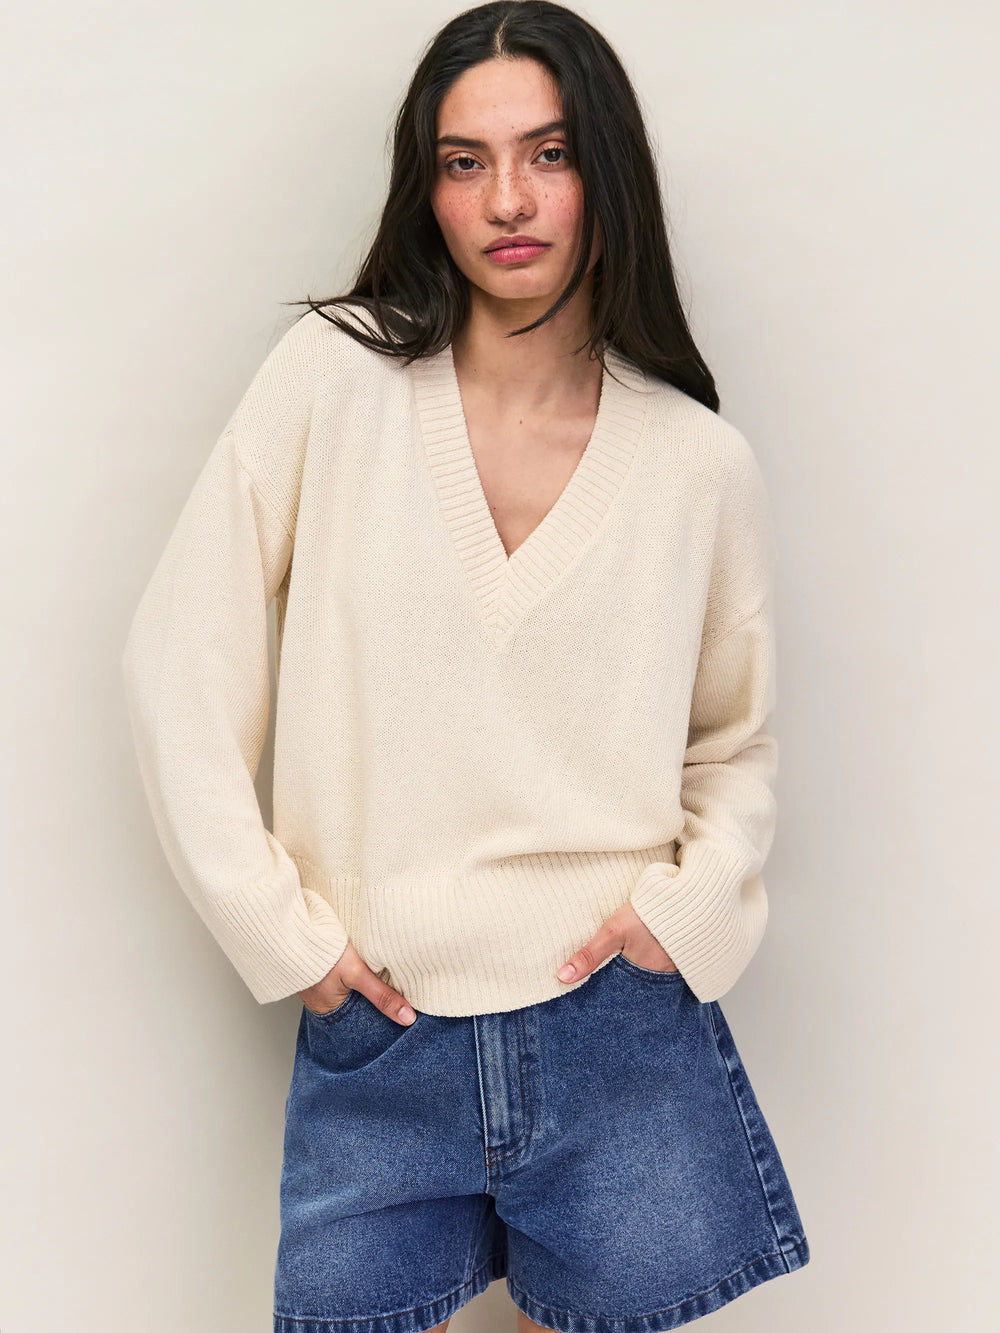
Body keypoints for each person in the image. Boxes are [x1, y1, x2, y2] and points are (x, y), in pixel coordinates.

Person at [121, 3, 810, 1330]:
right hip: (381, 1026)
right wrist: (285, 936)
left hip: (618, 1026)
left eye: (548, 154)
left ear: (606, 170)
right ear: (425, 187)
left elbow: (734, 744)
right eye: (464, 161)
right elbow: (179, 663)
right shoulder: (332, 380)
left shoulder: (698, 465)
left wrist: (684, 922)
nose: (507, 200)